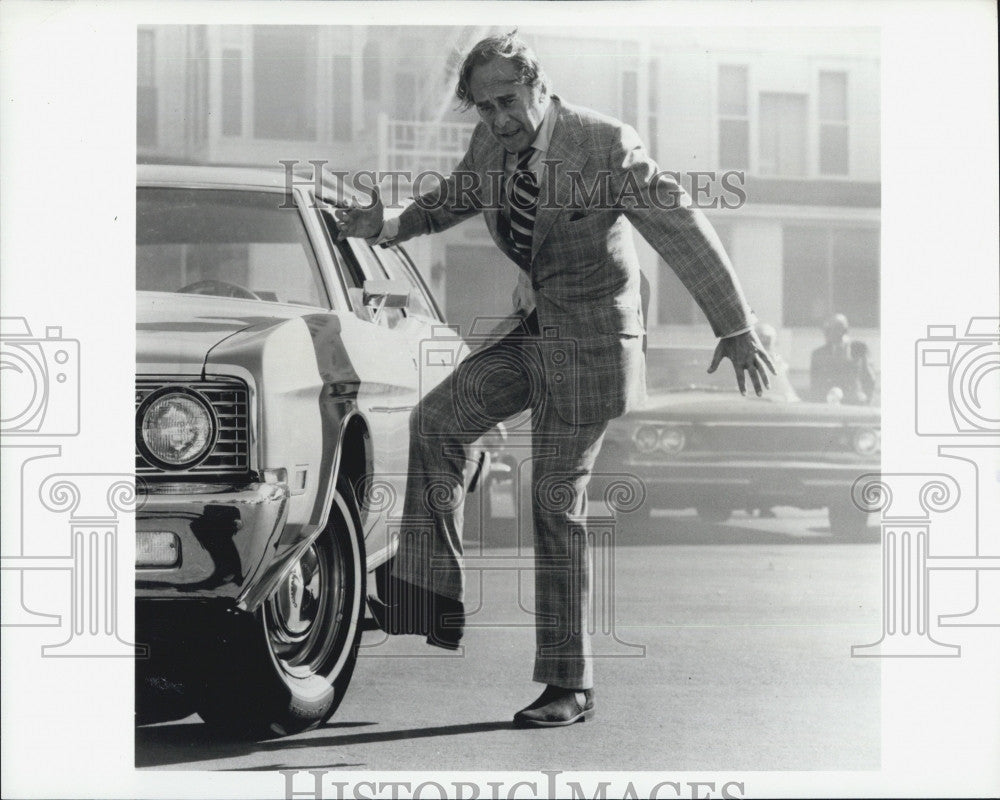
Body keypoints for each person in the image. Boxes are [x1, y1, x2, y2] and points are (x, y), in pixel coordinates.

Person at [335, 31, 774, 728]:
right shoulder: (491, 146)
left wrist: (736, 326)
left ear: (538, 84)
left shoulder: (603, 146)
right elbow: (450, 200)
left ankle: (570, 685)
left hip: (592, 344)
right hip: (536, 332)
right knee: (438, 422)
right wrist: (386, 223)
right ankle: (432, 599)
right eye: (483, 108)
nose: (499, 119)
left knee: (551, 500)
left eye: (507, 101)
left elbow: (681, 230)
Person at [809, 313, 876, 405]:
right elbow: (815, 386)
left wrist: (867, 401)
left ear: (844, 330)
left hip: (855, 405)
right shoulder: (818, 354)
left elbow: (870, 379)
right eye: (825, 330)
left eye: (829, 330)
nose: (826, 334)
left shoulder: (859, 349)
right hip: (828, 406)